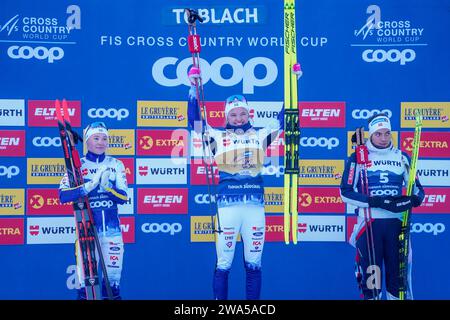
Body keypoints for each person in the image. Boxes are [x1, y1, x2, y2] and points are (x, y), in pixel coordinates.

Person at [187, 66, 283, 300]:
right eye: (233, 114)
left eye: (242, 113)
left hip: (255, 209)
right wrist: (193, 87)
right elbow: (195, 123)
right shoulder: (217, 137)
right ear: (226, 116)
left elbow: (283, 120)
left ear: (249, 114)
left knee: (254, 264)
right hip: (227, 209)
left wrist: (294, 84)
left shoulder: (260, 135)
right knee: (224, 263)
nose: (238, 118)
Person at [340, 113, 425, 300]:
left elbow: (419, 191)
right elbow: (345, 192)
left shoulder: (402, 157)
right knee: (372, 282)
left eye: (387, 133)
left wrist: (412, 200)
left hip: (396, 225)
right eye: (379, 134)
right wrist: (375, 202)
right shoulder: (358, 157)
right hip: (369, 225)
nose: (384, 138)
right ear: (371, 134)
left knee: (397, 282)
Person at [59, 121, 128, 300]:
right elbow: (63, 196)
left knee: (112, 286)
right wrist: (88, 186)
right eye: (96, 138)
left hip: (112, 234)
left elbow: (123, 197)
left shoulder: (116, 164)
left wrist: (107, 188)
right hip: (86, 233)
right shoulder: (77, 167)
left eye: (104, 138)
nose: (101, 142)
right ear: (87, 141)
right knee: (85, 287)